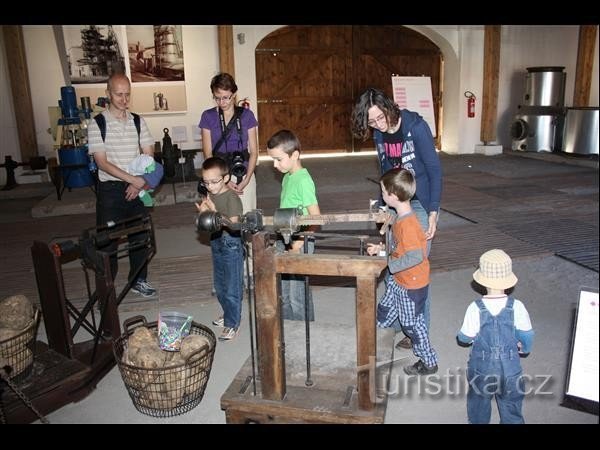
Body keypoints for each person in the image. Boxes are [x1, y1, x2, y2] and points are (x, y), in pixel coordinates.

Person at [351, 87, 442, 350]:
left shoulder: (416, 127)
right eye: (372, 122)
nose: (379, 125)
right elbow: (384, 171)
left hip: (421, 204)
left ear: (389, 108)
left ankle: (418, 334)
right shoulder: (379, 133)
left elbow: (435, 170)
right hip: (394, 202)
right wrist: (382, 207)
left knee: (414, 268)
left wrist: (434, 210)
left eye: (381, 118)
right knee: (394, 261)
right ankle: (399, 322)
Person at [88, 73, 157, 297]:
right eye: (119, 94)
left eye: (127, 94)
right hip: (111, 191)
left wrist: (139, 184)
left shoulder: (138, 121)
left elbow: (148, 154)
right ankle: (106, 289)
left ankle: (139, 280)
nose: (124, 99)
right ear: (108, 94)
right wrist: (133, 180)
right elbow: (102, 162)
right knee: (107, 242)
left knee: (140, 237)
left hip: (136, 185)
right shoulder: (97, 123)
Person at [367, 168, 438, 375]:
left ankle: (429, 361)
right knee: (385, 310)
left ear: (393, 196)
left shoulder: (407, 224)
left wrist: (389, 263)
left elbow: (416, 256)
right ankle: (374, 343)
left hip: (412, 283)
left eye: (383, 192)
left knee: (412, 324)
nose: (381, 195)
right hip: (401, 279)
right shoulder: (400, 216)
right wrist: (381, 249)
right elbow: (400, 248)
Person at [457, 249, 534, 424]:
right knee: (512, 406)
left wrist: (464, 338)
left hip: (482, 368)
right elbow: (527, 334)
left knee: (478, 403)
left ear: (482, 280)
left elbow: (464, 337)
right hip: (511, 369)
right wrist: (525, 348)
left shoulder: (475, 307)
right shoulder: (518, 306)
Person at [266, 130, 320, 321]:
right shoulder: (288, 176)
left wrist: (299, 241)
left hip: (300, 239)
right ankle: (289, 328)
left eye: (278, 159)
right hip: (285, 237)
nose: (275, 164)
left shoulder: (303, 180)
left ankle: (305, 332)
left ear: (295, 155)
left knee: (298, 294)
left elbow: (315, 216)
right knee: (285, 292)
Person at [195, 157, 244, 341]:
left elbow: (234, 226)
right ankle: (228, 313)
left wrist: (215, 214)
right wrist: (203, 214)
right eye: (206, 182)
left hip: (231, 245)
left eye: (214, 181)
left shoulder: (232, 198)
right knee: (221, 285)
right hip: (216, 242)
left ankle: (233, 323)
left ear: (225, 178)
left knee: (232, 288)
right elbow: (207, 223)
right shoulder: (210, 194)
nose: (210, 186)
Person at [199, 73, 259, 213]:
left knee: (247, 219)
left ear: (234, 94)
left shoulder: (246, 115)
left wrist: (247, 179)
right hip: (218, 177)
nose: (222, 102)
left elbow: (254, 152)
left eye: (226, 97)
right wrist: (223, 180)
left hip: (243, 172)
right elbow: (207, 153)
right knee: (220, 218)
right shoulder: (208, 116)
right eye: (217, 98)